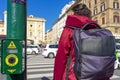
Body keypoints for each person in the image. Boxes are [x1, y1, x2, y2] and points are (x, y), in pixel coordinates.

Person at [53, 3, 110, 80]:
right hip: (97, 75)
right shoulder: (97, 31)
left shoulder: (69, 29)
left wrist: (57, 78)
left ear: (74, 13)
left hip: (75, 76)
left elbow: (61, 57)